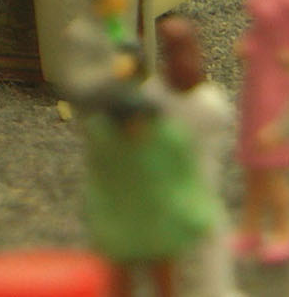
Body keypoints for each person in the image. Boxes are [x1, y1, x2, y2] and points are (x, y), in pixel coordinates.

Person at [83, 92, 215, 297]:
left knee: (164, 275)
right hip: (123, 220)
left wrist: (196, 213)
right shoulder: (105, 141)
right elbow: (100, 181)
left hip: (159, 220)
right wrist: (100, 216)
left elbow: (185, 180)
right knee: (121, 277)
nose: (133, 129)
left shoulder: (170, 139)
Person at [144, 18, 241, 297]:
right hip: (167, 182)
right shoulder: (156, 93)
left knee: (210, 236)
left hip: (199, 180)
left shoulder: (206, 102)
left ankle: (215, 289)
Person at [235, 0, 289, 263]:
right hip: (258, 75)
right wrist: (250, 45)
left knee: (268, 159)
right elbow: (259, 28)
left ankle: (285, 228)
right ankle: (250, 226)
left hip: (278, 82)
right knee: (252, 161)